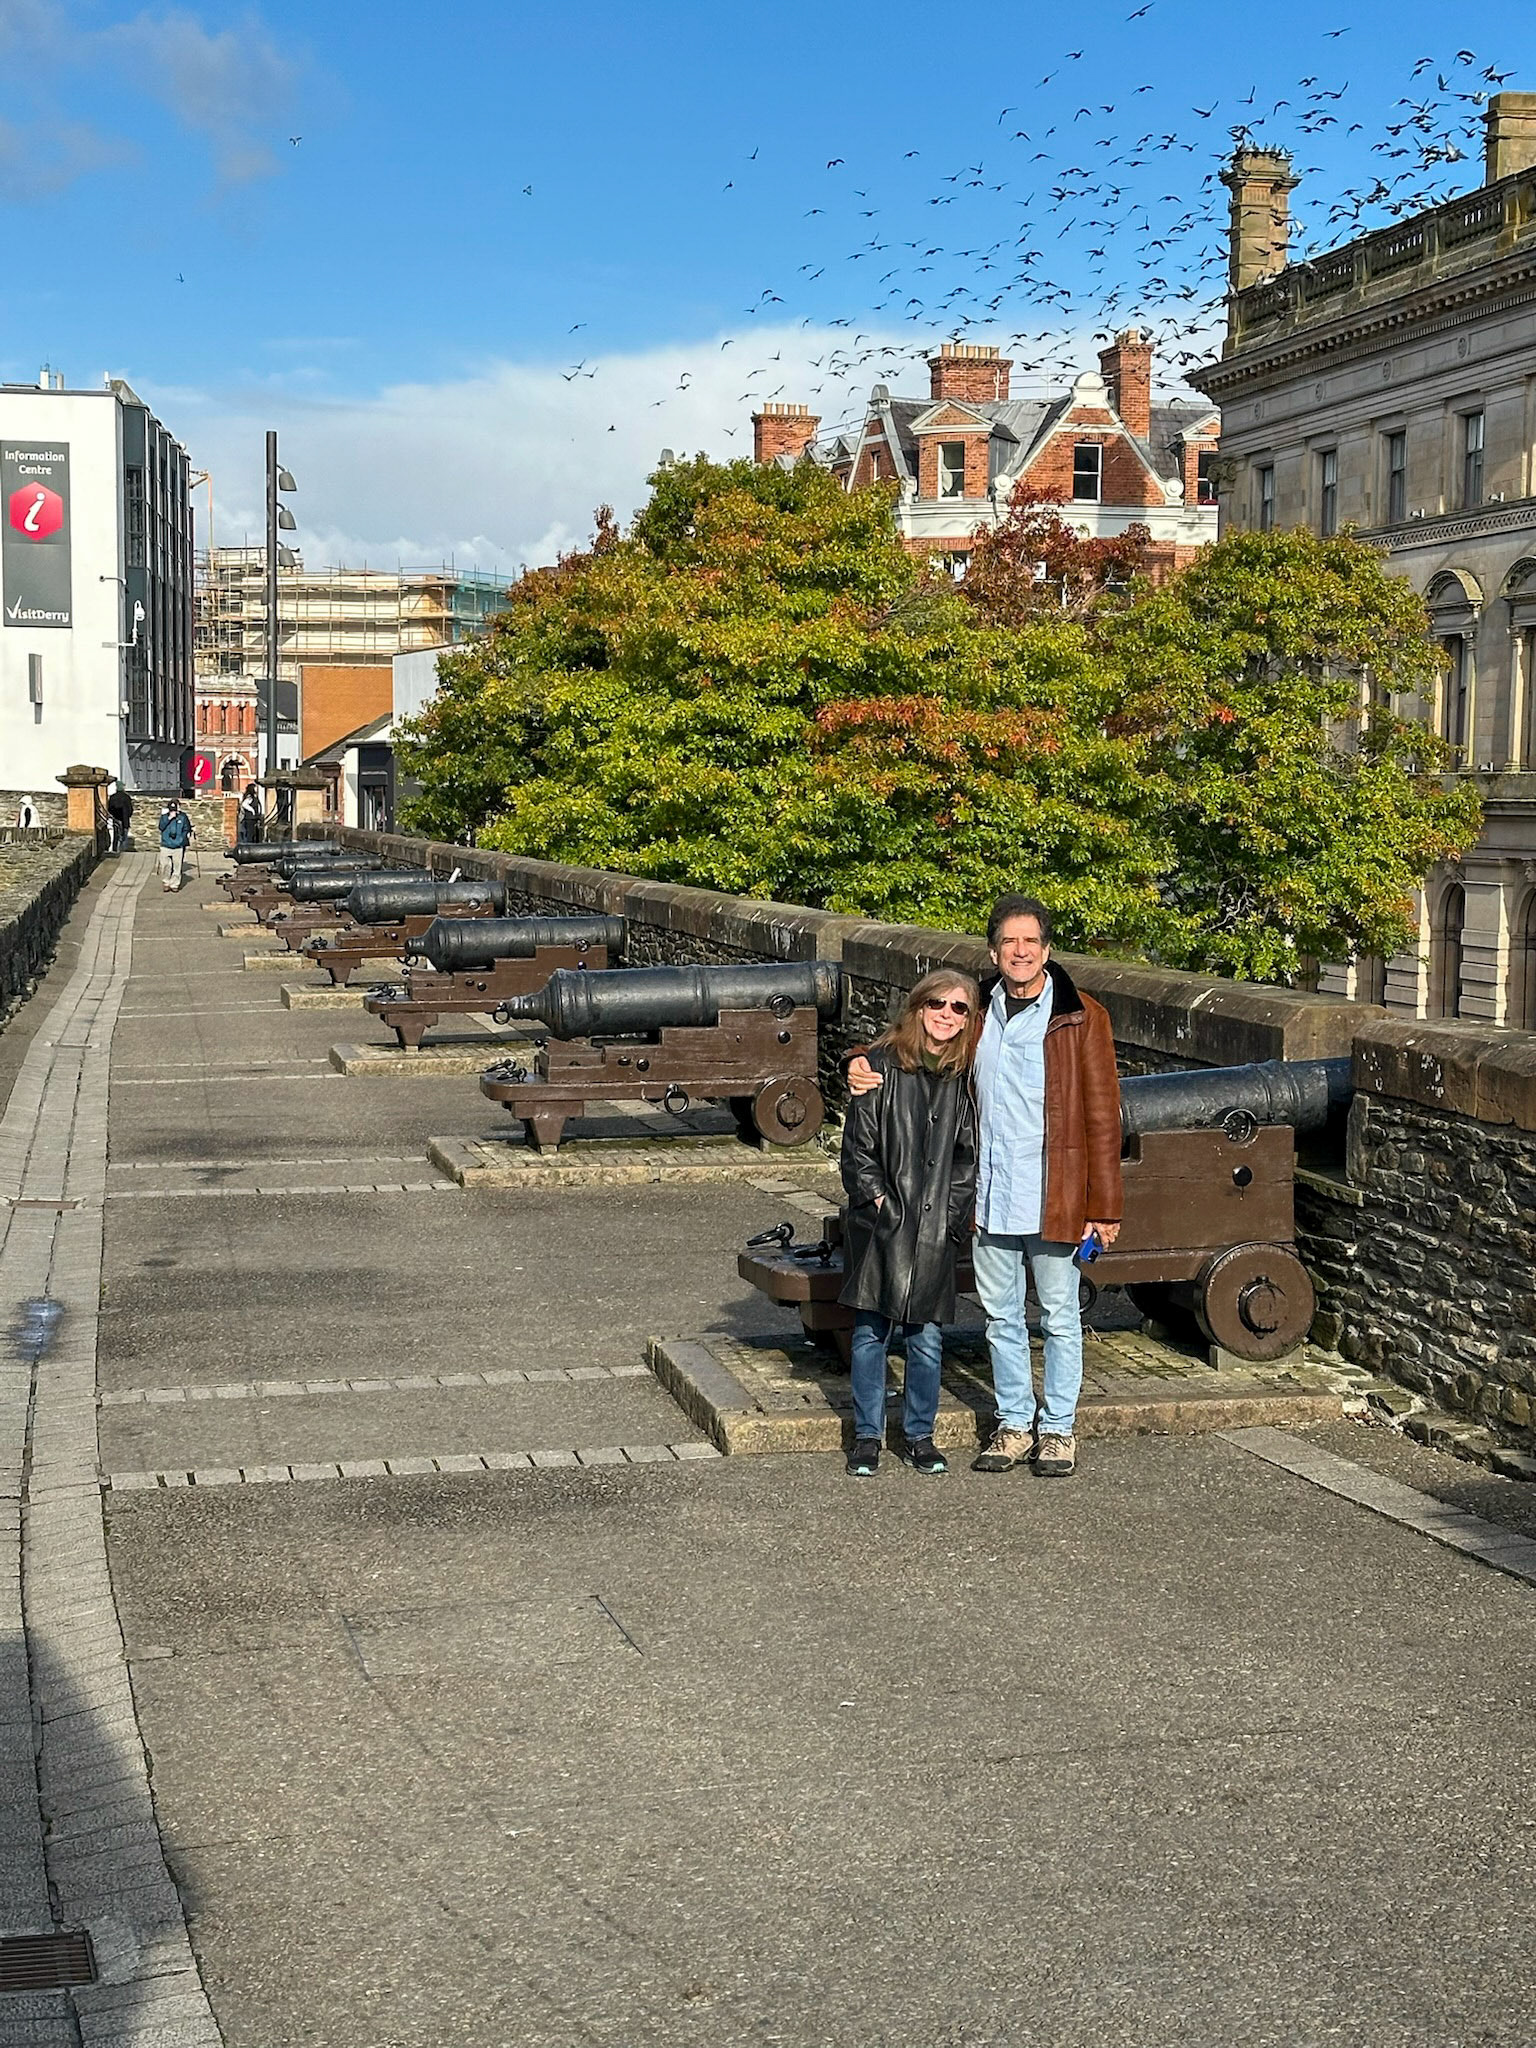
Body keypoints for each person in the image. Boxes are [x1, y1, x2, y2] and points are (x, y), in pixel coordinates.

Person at [847, 896, 1122, 1479]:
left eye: (1031, 941)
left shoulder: (1082, 1016)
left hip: (1054, 1193)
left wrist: (1104, 1206)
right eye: (1009, 942)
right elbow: (917, 1043)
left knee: (1058, 1316)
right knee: (1001, 1319)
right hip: (988, 1194)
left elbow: (1103, 1115)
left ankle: (1058, 1430)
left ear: (1047, 949)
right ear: (994, 952)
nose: (1020, 952)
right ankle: (1015, 1423)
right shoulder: (978, 1010)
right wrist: (858, 1062)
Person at [838, 969, 979, 1479]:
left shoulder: (965, 1078)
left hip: (936, 1226)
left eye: (959, 1007)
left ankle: (920, 1434)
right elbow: (858, 1150)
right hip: (882, 1223)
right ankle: (868, 1436)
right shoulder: (879, 1066)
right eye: (937, 1003)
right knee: (869, 1333)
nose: (946, 1014)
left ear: (968, 1019)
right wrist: (880, 1203)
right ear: (918, 1007)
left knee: (926, 1339)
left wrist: (950, 1218)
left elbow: (967, 1159)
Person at [157, 797, 193, 891]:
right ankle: (166, 882)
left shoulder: (183, 817)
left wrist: (182, 839)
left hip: (178, 846)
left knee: (177, 866)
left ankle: (174, 884)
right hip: (166, 844)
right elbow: (161, 827)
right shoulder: (164, 817)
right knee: (165, 865)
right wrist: (169, 818)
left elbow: (187, 828)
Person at [106, 782, 133, 853]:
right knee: (124, 836)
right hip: (125, 820)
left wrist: (114, 816)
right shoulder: (126, 797)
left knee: (116, 835)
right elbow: (130, 810)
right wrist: (127, 816)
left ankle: (115, 850)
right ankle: (123, 851)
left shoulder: (112, 797)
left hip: (116, 819)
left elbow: (109, 809)